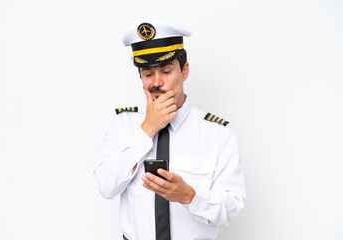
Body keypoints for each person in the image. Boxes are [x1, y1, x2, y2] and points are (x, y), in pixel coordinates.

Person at [94, 20, 246, 240]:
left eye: (166, 71)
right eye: (148, 74)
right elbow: (105, 186)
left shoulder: (218, 133)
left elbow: (232, 207)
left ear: (184, 71)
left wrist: (189, 196)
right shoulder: (123, 124)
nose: (157, 82)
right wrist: (147, 129)